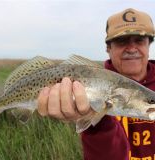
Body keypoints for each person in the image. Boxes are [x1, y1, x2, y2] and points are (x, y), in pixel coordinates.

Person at [37, 8, 155, 160]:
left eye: (139, 40)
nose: (132, 48)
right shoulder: (94, 85)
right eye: (121, 41)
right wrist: (97, 122)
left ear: (149, 44)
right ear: (108, 47)